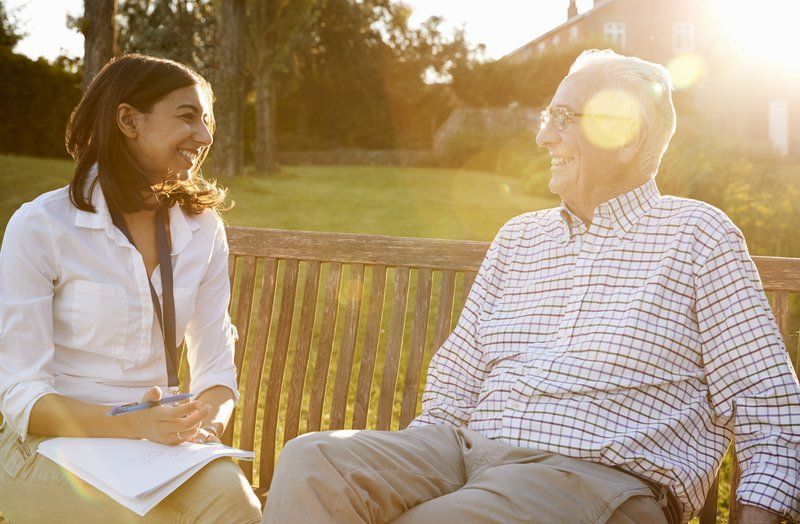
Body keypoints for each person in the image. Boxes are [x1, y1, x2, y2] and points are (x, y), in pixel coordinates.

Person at [261, 50, 800, 524]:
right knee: (315, 463)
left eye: (564, 119)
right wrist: (416, 464)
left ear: (626, 135)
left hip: (593, 479)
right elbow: (457, 377)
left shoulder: (697, 236)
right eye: (549, 116)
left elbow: (769, 406)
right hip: (466, 453)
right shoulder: (519, 237)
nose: (544, 135)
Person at [0, 54, 262, 523]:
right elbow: (21, 394)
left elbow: (215, 366)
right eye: (187, 117)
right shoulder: (41, 227)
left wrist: (204, 424)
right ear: (128, 120)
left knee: (236, 505)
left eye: (207, 121)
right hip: (47, 447)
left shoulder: (203, 229)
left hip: (154, 450)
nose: (204, 137)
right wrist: (131, 425)